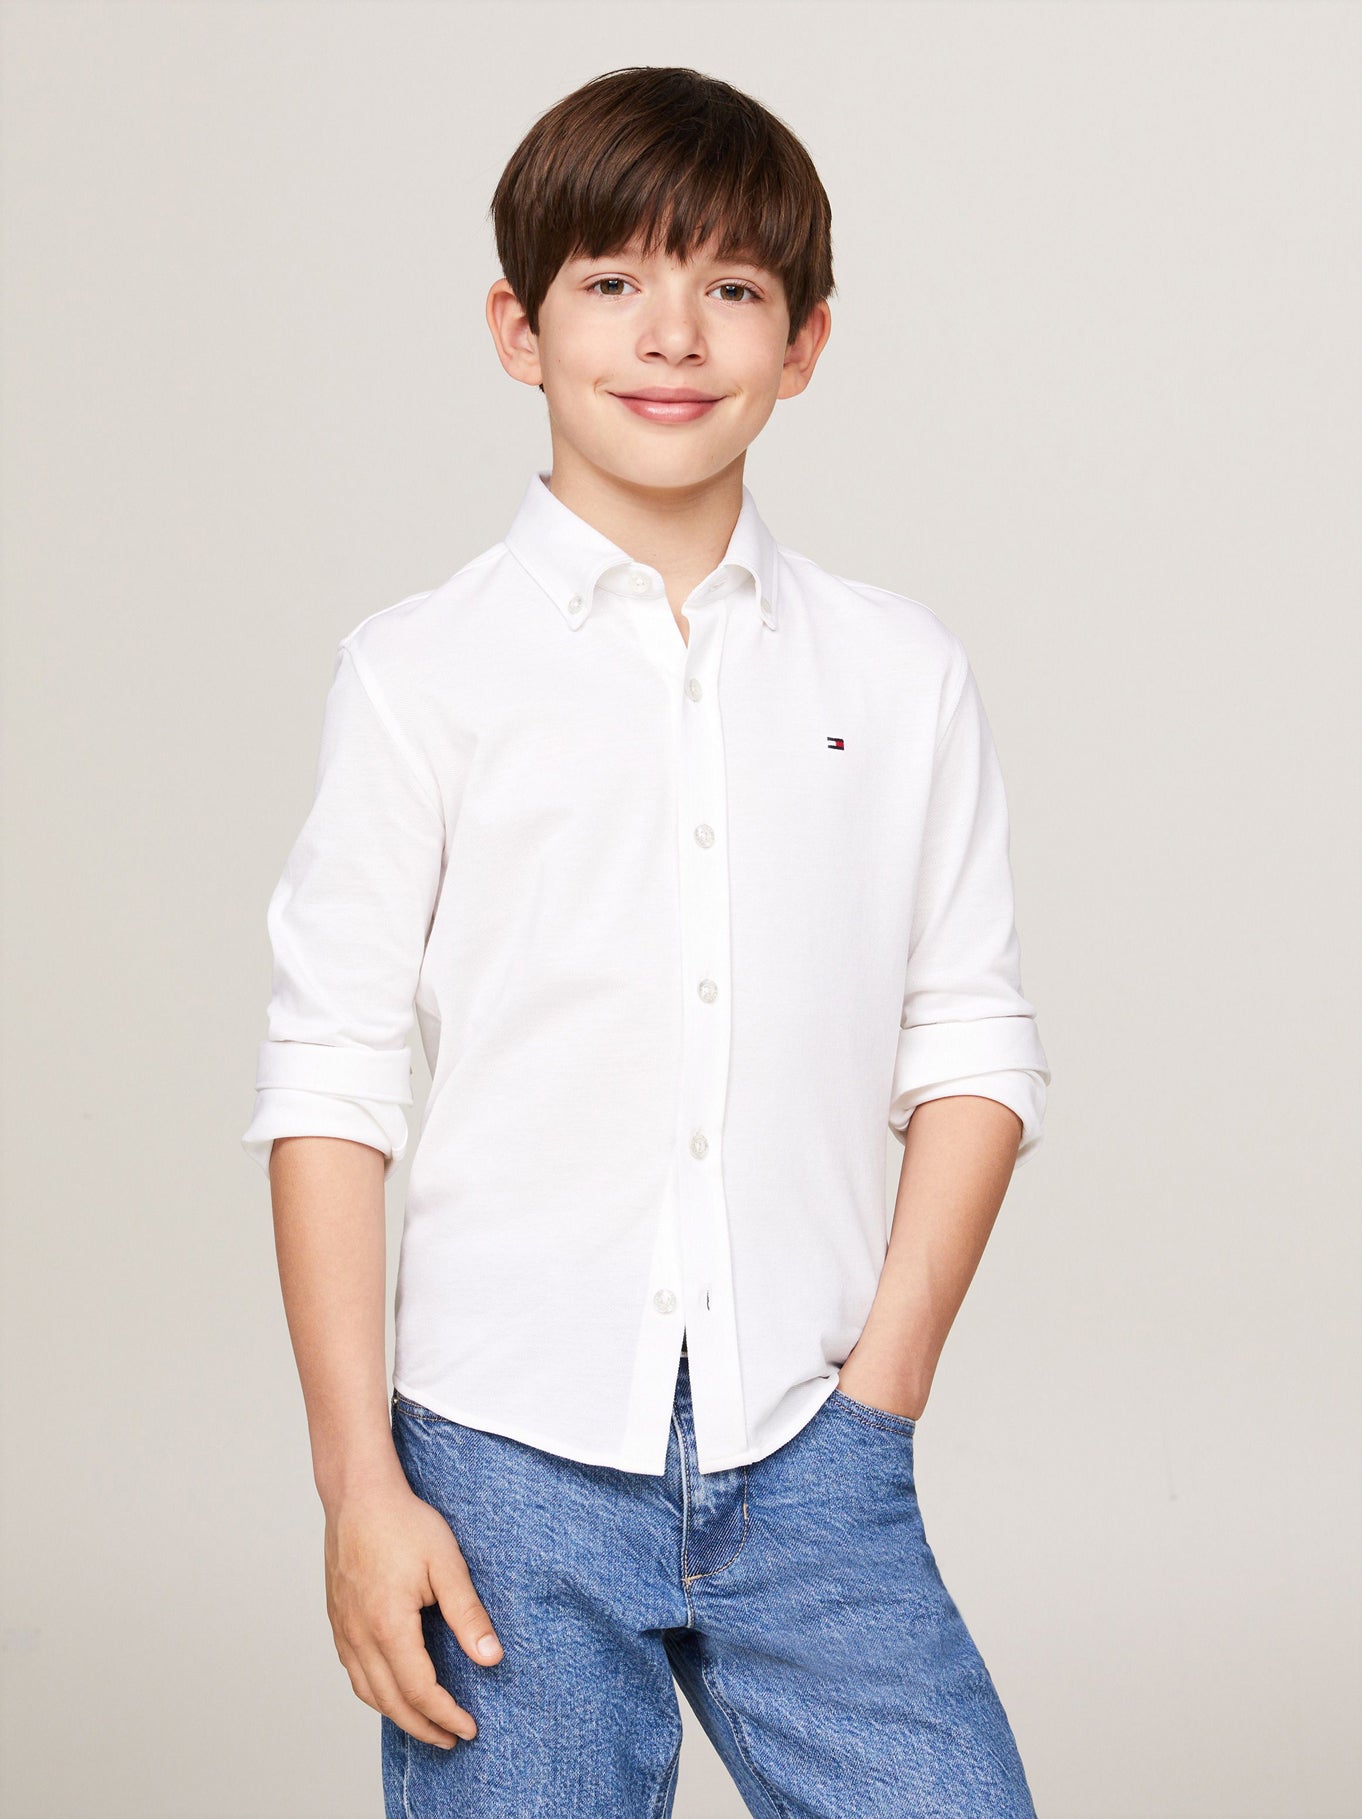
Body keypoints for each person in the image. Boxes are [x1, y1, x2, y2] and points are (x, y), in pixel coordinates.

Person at [242, 63, 1051, 1819]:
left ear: (805, 341)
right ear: (518, 330)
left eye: (731, 287)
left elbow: (973, 1046)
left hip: (812, 1451)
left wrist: (883, 1393)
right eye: (612, 279)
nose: (672, 333)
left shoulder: (897, 673)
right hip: (499, 1467)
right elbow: (331, 1084)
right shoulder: (419, 675)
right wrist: (360, 1487)